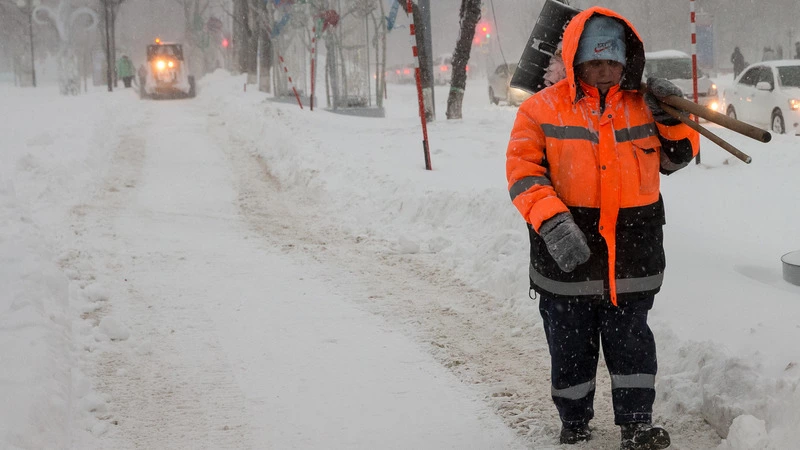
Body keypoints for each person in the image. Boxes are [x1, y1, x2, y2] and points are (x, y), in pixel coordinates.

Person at [505, 6, 699, 449]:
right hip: (569, 250)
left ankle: (636, 422)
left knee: (632, 341)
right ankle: (574, 420)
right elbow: (523, 172)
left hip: (633, 247)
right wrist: (553, 222)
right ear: (575, 61)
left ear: (627, 61)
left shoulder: (644, 105)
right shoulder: (541, 109)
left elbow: (677, 158)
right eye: (595, 62)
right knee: (570, 346)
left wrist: (671, 119)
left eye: (613, 61)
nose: (605, 70)